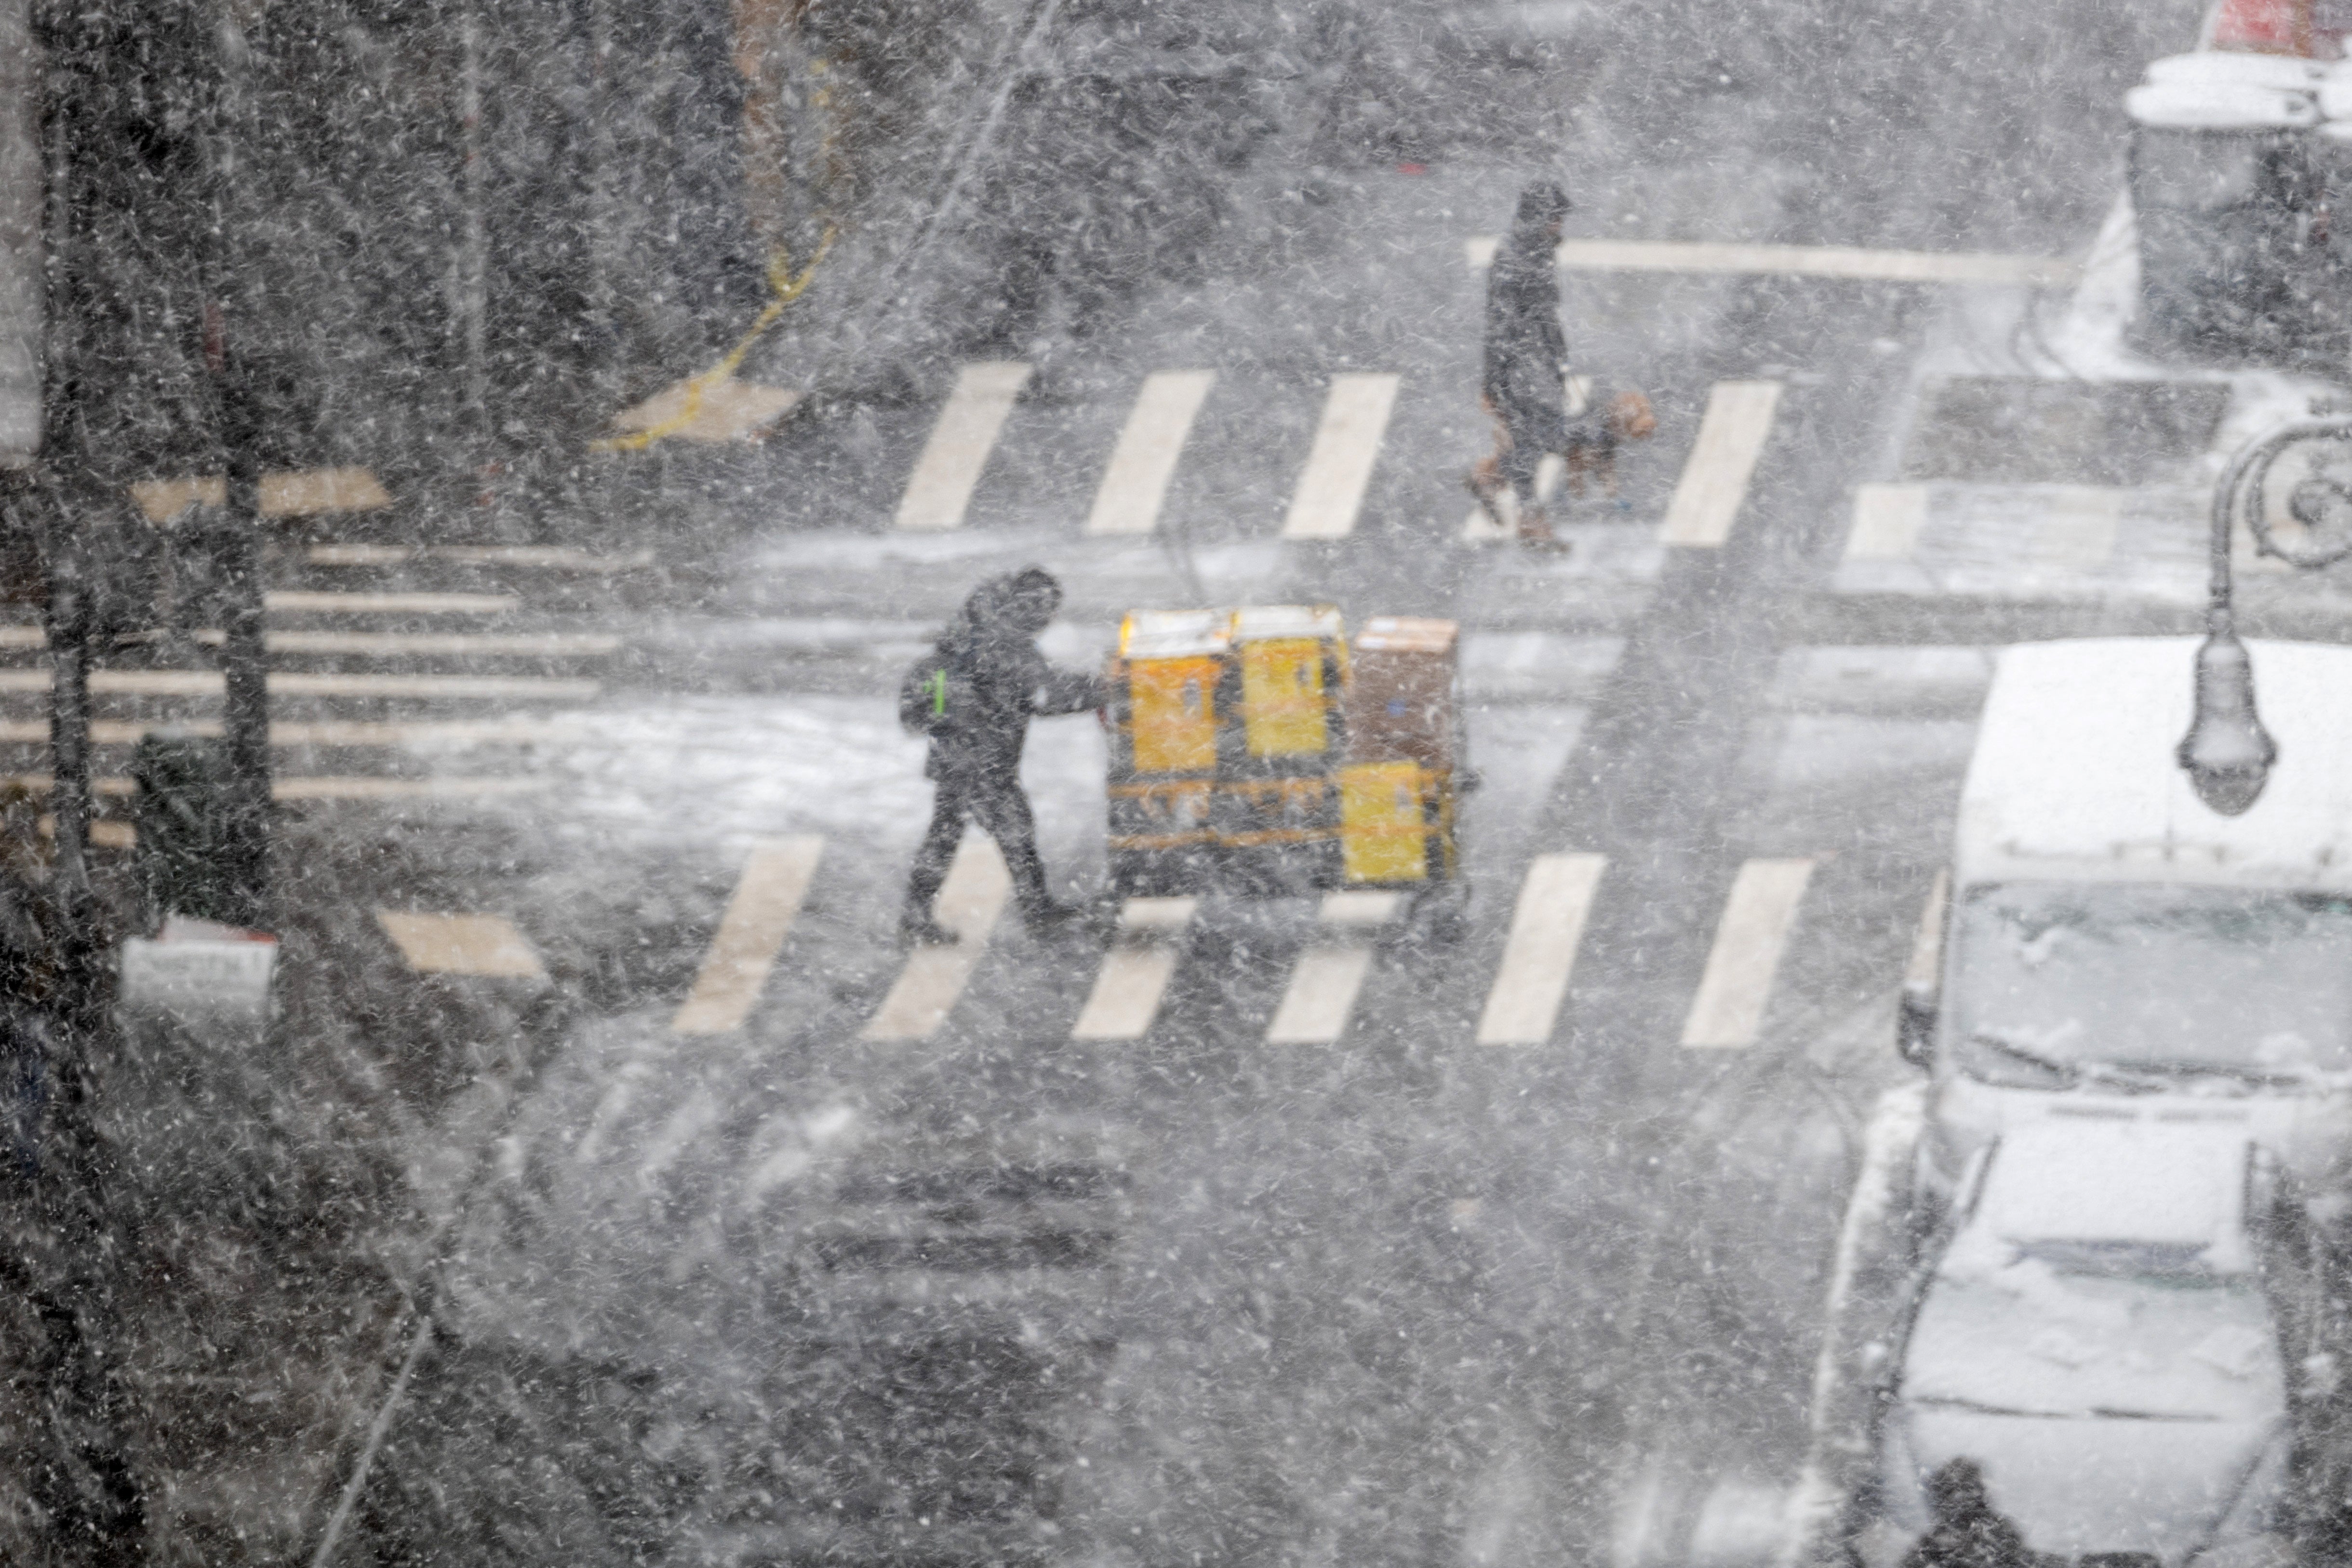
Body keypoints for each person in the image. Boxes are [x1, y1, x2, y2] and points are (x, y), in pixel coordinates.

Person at [899, 567, 1105, 945]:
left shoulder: (972, 629)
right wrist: (1104, 688)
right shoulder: (1005, 642)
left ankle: (917, 916)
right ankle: (1038, 913)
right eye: (1046, 610)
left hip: (958, 752)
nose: (1048, 619)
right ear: (1030, 606)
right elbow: (1046, 695)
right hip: (984, 757)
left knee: (952, 833)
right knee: (1013, 831)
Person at [1471, 181, 1573, 548]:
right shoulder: (1514, 258)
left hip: (1538, 361)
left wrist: (1560, 357)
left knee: (1540, 436)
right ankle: (1531, 519)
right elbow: (1500, 323)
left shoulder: (1540, 252)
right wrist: (1494, 380)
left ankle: (1492, 477)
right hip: (1520, 364)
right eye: (1556, 218)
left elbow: (1547, 314)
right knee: (1535, 437)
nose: (1560, 226)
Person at [1899, 1459, 2031, 1568]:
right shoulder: (1931, 1543)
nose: (1960, 1496)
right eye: (1952, 1490)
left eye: (1967, 1488)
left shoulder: (2001, 1531)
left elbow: (2020, 1559)